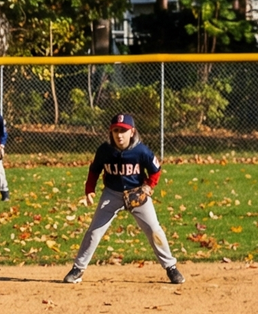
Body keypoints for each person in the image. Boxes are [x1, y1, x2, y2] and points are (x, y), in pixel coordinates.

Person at [64, 112, 185, 285]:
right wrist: (89, 190)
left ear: (132, 132)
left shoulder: (141, 151)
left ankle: (171, 268)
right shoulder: (105, 150)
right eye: (116, 131)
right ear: (111, 132)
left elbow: (155, 170)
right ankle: (78, 268)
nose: (119, 135)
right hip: (111, 194)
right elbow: (94, 170)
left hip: (137, 194)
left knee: (154, 230)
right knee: (94, 232)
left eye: (123, 130)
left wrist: (149, 186)